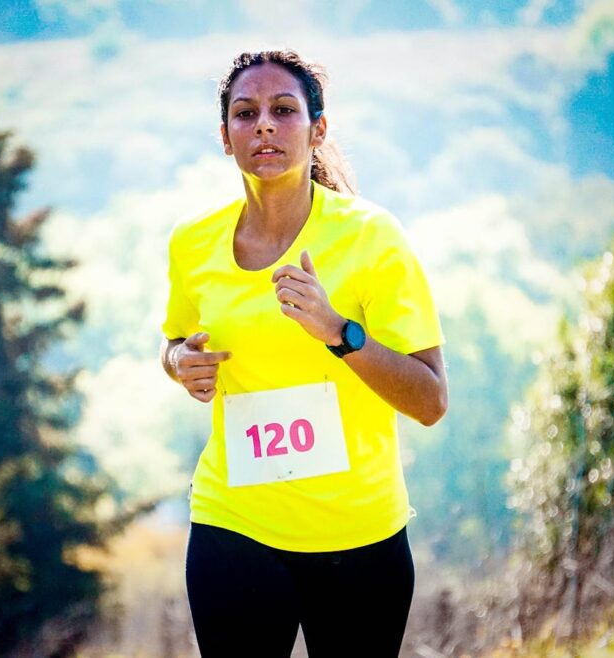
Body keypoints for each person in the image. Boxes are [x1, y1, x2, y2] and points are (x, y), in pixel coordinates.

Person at [159, 49, 448, 657]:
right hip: (234, 523)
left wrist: (339, 331)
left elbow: (430, 400)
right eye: (246, 113)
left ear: (318, 130)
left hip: (358, 535)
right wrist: (177, 363)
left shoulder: (373, 238)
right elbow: (176, 341)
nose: (263, 124)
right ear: (225, 137)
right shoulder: (192, 243)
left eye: (283, 110)